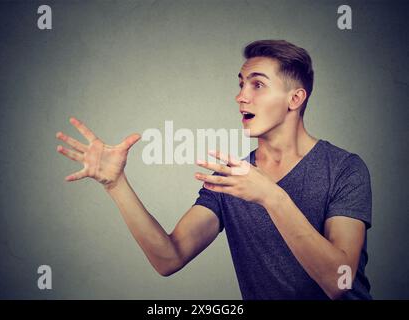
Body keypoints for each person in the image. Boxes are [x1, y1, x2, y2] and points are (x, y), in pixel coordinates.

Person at [55, 40, 372, 300]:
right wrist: (116, 184)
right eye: (240, 84)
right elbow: (169, 258)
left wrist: (272, 198)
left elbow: (339, 282)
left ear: (295, 98)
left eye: (257, 84)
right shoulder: (230, 180)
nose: (240, 96)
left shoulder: (344, 169)